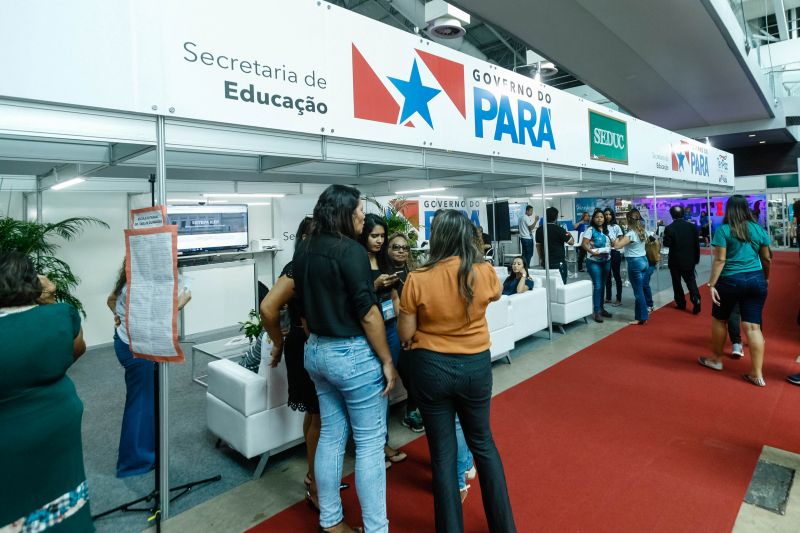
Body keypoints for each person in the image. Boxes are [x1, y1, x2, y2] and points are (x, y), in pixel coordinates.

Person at [398, 210, 516, 533]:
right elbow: (495, 295)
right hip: (475, 367)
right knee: (484, 445)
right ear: (467, 236)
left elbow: (406, 335)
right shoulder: (484, 272)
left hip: (431, 369)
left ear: (436, 238)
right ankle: (505, 527)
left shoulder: (417, 279)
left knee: (443, 455)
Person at [293, 184, 398, 533]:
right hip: (352, 354)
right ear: (342, 212)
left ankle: (331, 520)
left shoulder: (304, 250)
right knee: (369, 444)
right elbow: (368, 314)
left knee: (332, 437)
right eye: (357, 211)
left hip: (317, 351)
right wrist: (386, 360)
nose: (360, 217)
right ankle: (376, 527)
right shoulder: (350, 252)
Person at [0, 252, 93, 532]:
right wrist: (48, 297)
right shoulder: (60, 316)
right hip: (58, 422)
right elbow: (75, 350)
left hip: (9, 436)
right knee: (64, 499)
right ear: (33, 280)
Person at [261, 216, 333, 510]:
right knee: (318, 418)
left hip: (309, 344)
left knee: (314, 414)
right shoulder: (296, 269)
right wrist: (278, 340)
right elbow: (268, 308)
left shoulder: (315, 269)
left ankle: (312, 475)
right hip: (304, 346)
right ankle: (317, 487)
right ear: (302, 239)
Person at [107, 259, 191, 478]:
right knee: (141, 403)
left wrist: (118, 315)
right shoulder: (142, 285)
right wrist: (179, 303)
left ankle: (146, 452)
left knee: (147, 400)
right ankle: (133, 462)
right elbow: (164, 311)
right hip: (138, 348)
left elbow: (111, 300)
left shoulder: (130, 279)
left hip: (129, 342)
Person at [698, 195, 771, 387]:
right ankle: (757, 374)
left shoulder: (723, 230)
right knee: (753, 327)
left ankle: (716, 360)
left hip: (730, 281)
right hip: (756, 279)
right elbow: (766, 259)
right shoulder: (758, 229)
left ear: (729, 209)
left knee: (720, 319)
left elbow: (720, 260)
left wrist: (711, 284)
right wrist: (766, 277)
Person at [358, 214, 407, 467]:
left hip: (390, 328)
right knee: (373, 390)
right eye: (373, 235)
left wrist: (401, 328)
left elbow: (396, 298)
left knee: (385, 390)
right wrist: (373, 286)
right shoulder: (355, 261)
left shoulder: (385, 260)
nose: (379, 240)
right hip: (369, 330)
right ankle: (374, 445)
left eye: (381, 236)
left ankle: (381, 442)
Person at [386, 233, 424, 433]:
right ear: (388, 249)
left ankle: (412, 411)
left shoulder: (413, 273)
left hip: (415, 331)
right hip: (391, 332)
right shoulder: (383, 275)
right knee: (401, 374)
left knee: (416, 374)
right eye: (396, 247)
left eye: (404, 248)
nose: (401, 251)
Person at [613, 209, 655, 325]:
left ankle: (642, 317)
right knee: (640, 289)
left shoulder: (631, 234)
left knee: (638, 292)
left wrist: (616, 237)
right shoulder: (643, 231)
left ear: (628, 220)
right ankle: (641, 315)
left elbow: (617, 246)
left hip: (634, 262)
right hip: (644, 261)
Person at [663, 205, 701, 314]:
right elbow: (696, 244)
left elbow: (667, 244)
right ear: (683, 214)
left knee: (677, 282)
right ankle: (696, 299)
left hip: (675, 260)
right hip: (689, 259)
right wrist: (696, 258)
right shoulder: (692, 227)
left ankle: (681, 303)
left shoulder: (669, 228)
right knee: (691, 281)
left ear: (671, 215)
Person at [581, 209, 613, 323]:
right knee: (598, 285)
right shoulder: (590, 230)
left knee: (603, 285)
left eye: (601, 217)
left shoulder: (607, 230)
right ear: (593, 219)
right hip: (594, 261)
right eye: (597, 217)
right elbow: (583, 244)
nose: (599, 219)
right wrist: (592, 252)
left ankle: (601, 308)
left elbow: (613, 243)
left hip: (606, 260)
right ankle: (597, 311)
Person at [534, 206, 574, 284]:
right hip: (558, 261)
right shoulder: (560, 229)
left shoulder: (539, 230)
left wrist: (541, 259)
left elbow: (538, 246)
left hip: (546, 261)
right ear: (556, 217)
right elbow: (571, 242)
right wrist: (570, 234)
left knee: (549, 283)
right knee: (561, 283)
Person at [603, 208, 623, 306]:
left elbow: (620, 240)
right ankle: (608, 297)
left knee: (616, 275)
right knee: (607, 276)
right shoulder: (601, 227)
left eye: (609, 214)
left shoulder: (616, 226)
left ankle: (618, 299)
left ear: (612, 215)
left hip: (615, 252)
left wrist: (615, 243)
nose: (607, 216)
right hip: (605, 253)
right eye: (605, 214)